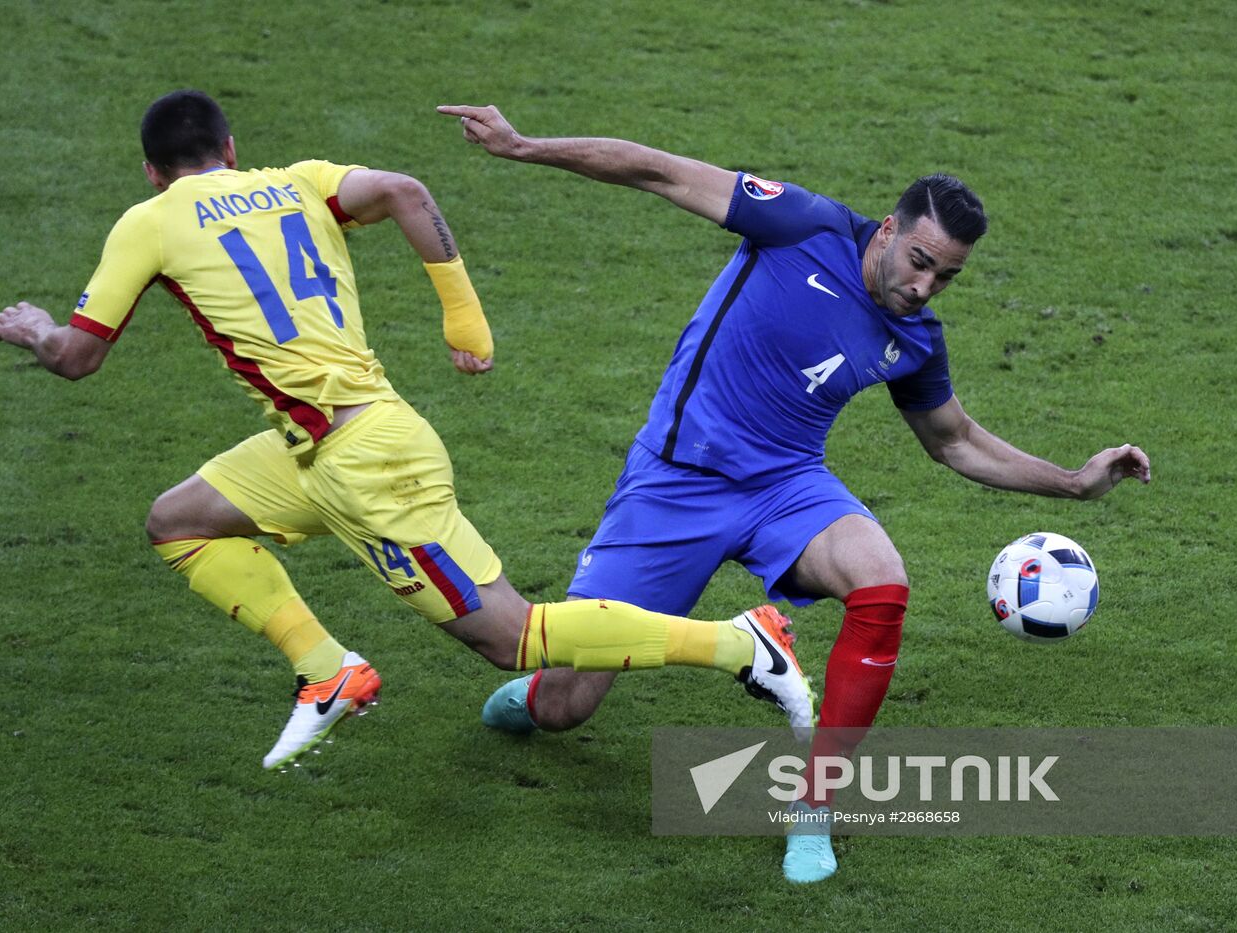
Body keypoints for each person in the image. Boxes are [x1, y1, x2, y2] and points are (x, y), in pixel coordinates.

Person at [0, 90, 817, 773]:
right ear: (231, 148)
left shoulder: (149, 220)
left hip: (370, 465)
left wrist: (31, 329)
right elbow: (407, 192)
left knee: (513, 636)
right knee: (178, 519)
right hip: (316, 447)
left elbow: (77, 358)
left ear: (152, 170)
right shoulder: (297, 179)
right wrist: (465, 318)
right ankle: (328, 672)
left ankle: (738, 643)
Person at [438, 103, 1151, 883]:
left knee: (883, 579)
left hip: (786, 482)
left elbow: (954, 441)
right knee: (569, 707)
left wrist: (1074, 482)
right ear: (887, 228)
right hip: (677, 481)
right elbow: (659, 170)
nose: (924, 286)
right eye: (918, 260)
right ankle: (540, 693)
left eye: (946, 275)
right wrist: (522, 146)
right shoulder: (799, 222)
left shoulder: (916, 339)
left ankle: (816, 805)